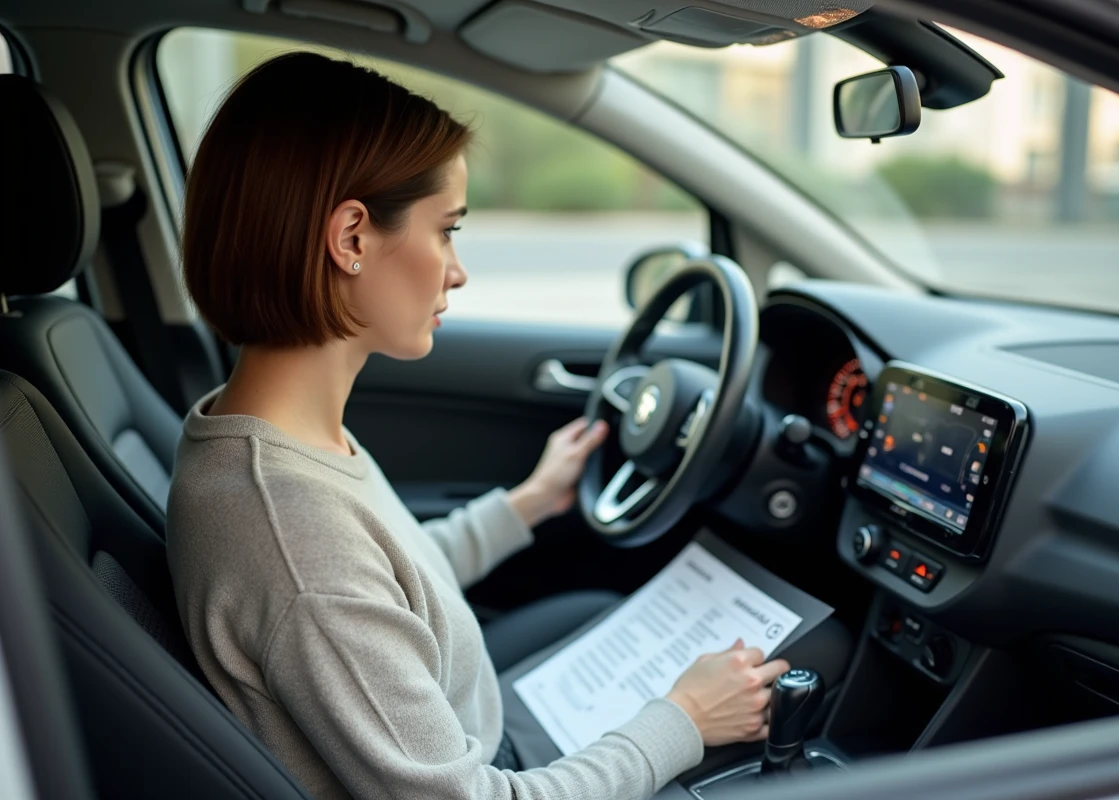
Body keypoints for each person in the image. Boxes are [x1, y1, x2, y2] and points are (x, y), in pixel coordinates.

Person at [167, 51, 789, 800]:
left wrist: (526, 504)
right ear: (352, 239)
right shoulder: (290, 528)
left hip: (474, 732)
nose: (457, 271)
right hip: (491, 779)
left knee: (598, 613)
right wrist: (682, 722)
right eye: (447, 230)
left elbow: (386, 583)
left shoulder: (277, 437)